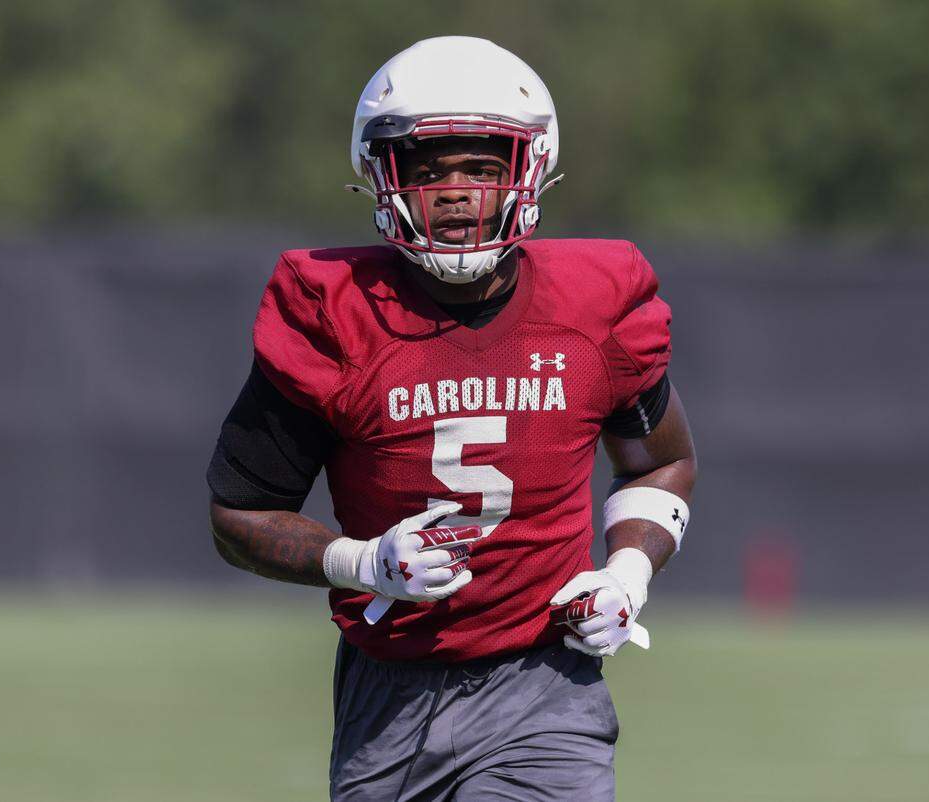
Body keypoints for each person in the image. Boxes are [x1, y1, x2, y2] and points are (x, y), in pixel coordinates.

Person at [207, 35, 697, 801]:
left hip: (547, 683)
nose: (457, 192)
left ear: (527, 172)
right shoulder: (334, 313)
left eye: (481, 166)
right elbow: (240, 514)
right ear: (381, 178)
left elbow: (661, 463)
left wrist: (627, 575)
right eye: (427, 170)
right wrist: (363, 564)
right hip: (389, 697)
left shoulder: (593, 306)